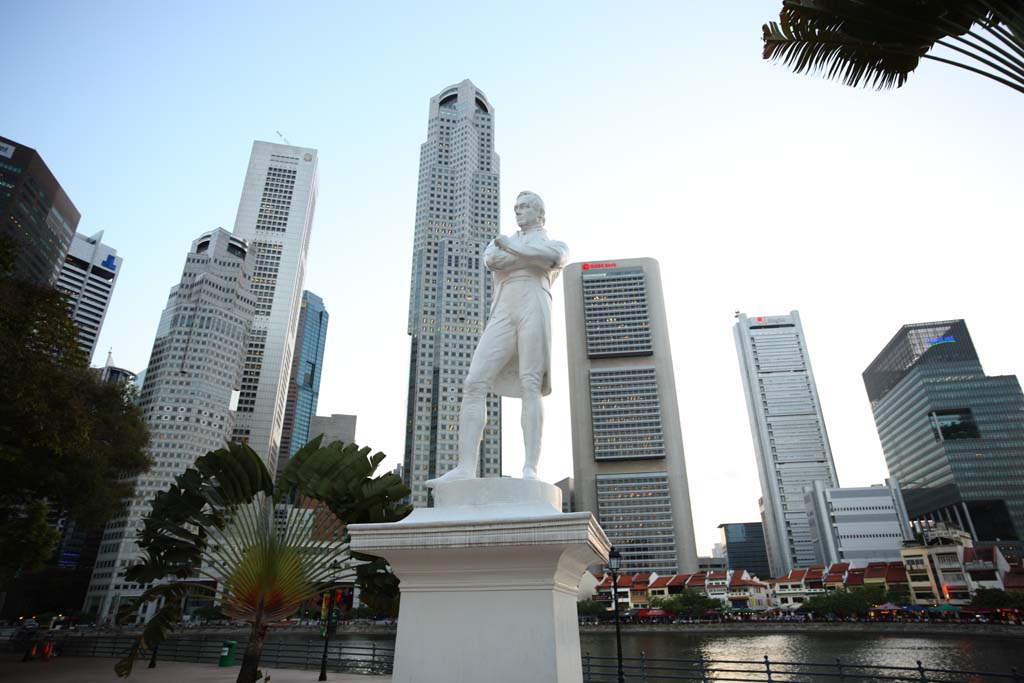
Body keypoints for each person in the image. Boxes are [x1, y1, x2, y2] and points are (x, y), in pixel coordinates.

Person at [427, 191, 568, 485]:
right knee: (474, 382)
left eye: (525, 207)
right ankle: (465, 467)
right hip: (503, 308)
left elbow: (553, 258)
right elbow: (492, 261)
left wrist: (512, 250)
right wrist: (521, 255)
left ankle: (530, 467)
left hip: (535, 303)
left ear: (540, 213)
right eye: (516, 207)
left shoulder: (554, 243)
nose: (518, 212)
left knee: (531, 383)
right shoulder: (500, 243)